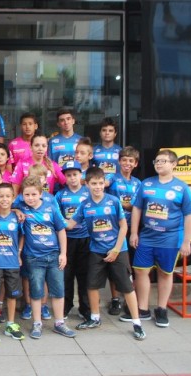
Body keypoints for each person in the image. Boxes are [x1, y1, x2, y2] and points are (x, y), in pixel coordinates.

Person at [67, 167, 147, 340]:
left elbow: (123, 226)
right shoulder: (85, 205)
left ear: (104, 183)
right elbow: (70, 224)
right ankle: (95, 318)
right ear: (87, 184)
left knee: (126, 287)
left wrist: (116, 249)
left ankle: (137, 323)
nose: (97, 187)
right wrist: (47, 216)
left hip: (118, 250)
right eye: (94, 184)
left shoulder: (113, 201)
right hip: (96, 251)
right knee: (91, 285)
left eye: (100, 183)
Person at [130, 149, 191, 328]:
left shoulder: (182, 187)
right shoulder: (146, 184)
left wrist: (186, 241)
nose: (158, 164)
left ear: (174, 164)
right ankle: (143, 308)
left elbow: (189, 215)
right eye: (156, 161)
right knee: (140, 271)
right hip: (147, 237)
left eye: (163, 161)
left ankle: (161, 309)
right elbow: (137, 208)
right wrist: (134, 232)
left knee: (165, 273)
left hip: (170, 239)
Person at [19, 176, 75, 340]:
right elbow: (4, 205)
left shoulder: (51, 208)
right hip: (33, 257)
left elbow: (61, 230)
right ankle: (37, 323)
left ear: (41, 193)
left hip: (54, 256)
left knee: (58, 290)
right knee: (36, 291)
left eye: (34, 194)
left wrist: (63, 253)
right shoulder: (22, 208)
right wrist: (16, 210)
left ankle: (59, 323)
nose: (30, 198)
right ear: (22, 195)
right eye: (27, 195)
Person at [0, 183, 24, 342]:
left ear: (13, 198)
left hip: (12, 263)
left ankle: (11, 324)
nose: (4, 199)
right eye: (1, 196)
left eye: (8, 196)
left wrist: (19, 253)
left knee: (12, 295)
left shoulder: (17, 217)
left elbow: (22, 236)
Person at [55, 160, 91, 321]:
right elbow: (57, 216)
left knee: (84, 275)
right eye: (68, 175)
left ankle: (85, 307)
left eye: (75, 174)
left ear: (81, 174)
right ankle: (66, 305)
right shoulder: (60, 195)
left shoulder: (88, 193)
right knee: (66, 275)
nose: (72, 178)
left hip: (85, 239)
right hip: (68, 240)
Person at [109, 145, 142, 316]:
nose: (127, 163)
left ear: (136, 163)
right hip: (114, 228)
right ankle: (115, 299)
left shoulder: (138, 183)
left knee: (131, 265)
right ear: (119, 161)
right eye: (124, 160)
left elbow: (137, 206)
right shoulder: (111, 178)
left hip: (133, 228)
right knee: (115, 265)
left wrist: (122, 204)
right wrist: (127, 205)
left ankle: (131, 300)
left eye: (130, 161)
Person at [93, 118, 121, 186]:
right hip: (98, 187)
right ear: (100, 133)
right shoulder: (93, 151)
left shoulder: (121, 151)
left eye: (110, 131)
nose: (107, 133)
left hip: (116, 187)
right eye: (104, 130)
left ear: (115, 134)